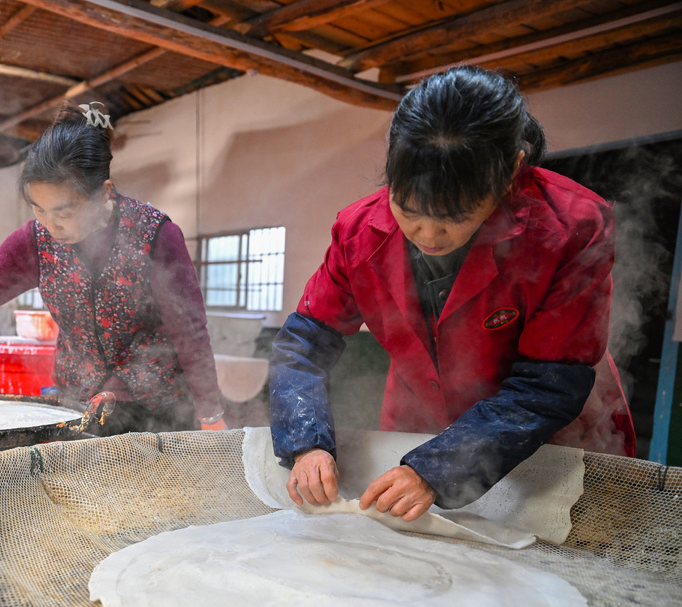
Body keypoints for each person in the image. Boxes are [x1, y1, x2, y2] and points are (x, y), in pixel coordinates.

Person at [270, 66, 635, 523]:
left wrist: (438, 469)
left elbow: (549, 383)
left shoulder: (571, 229)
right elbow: (304, 345)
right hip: (417, 413)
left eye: (453, 216)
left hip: (540, 430)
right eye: (407, 209)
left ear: (508, 177)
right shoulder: (358, 231)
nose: (427, 233)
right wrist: (306, 443)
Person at [0, 102, 226, 433]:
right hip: (78, 402)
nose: (51, 226)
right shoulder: (36, 241)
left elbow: (189, 331)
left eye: (64, 213)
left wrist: (210, 415)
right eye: (39, 209)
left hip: (156, 407)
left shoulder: (155, 235)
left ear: (104, 193)